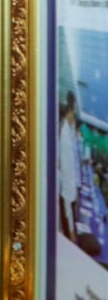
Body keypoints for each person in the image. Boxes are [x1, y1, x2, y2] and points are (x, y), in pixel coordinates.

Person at [58, 92, 84, 241]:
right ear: (69, 111)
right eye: (74, 111)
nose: (75, 115)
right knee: (71, 237)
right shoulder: (65, 138)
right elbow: (68, 178)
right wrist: (72, 230)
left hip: (70, 196)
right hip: (67, 200)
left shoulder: (69, 129)